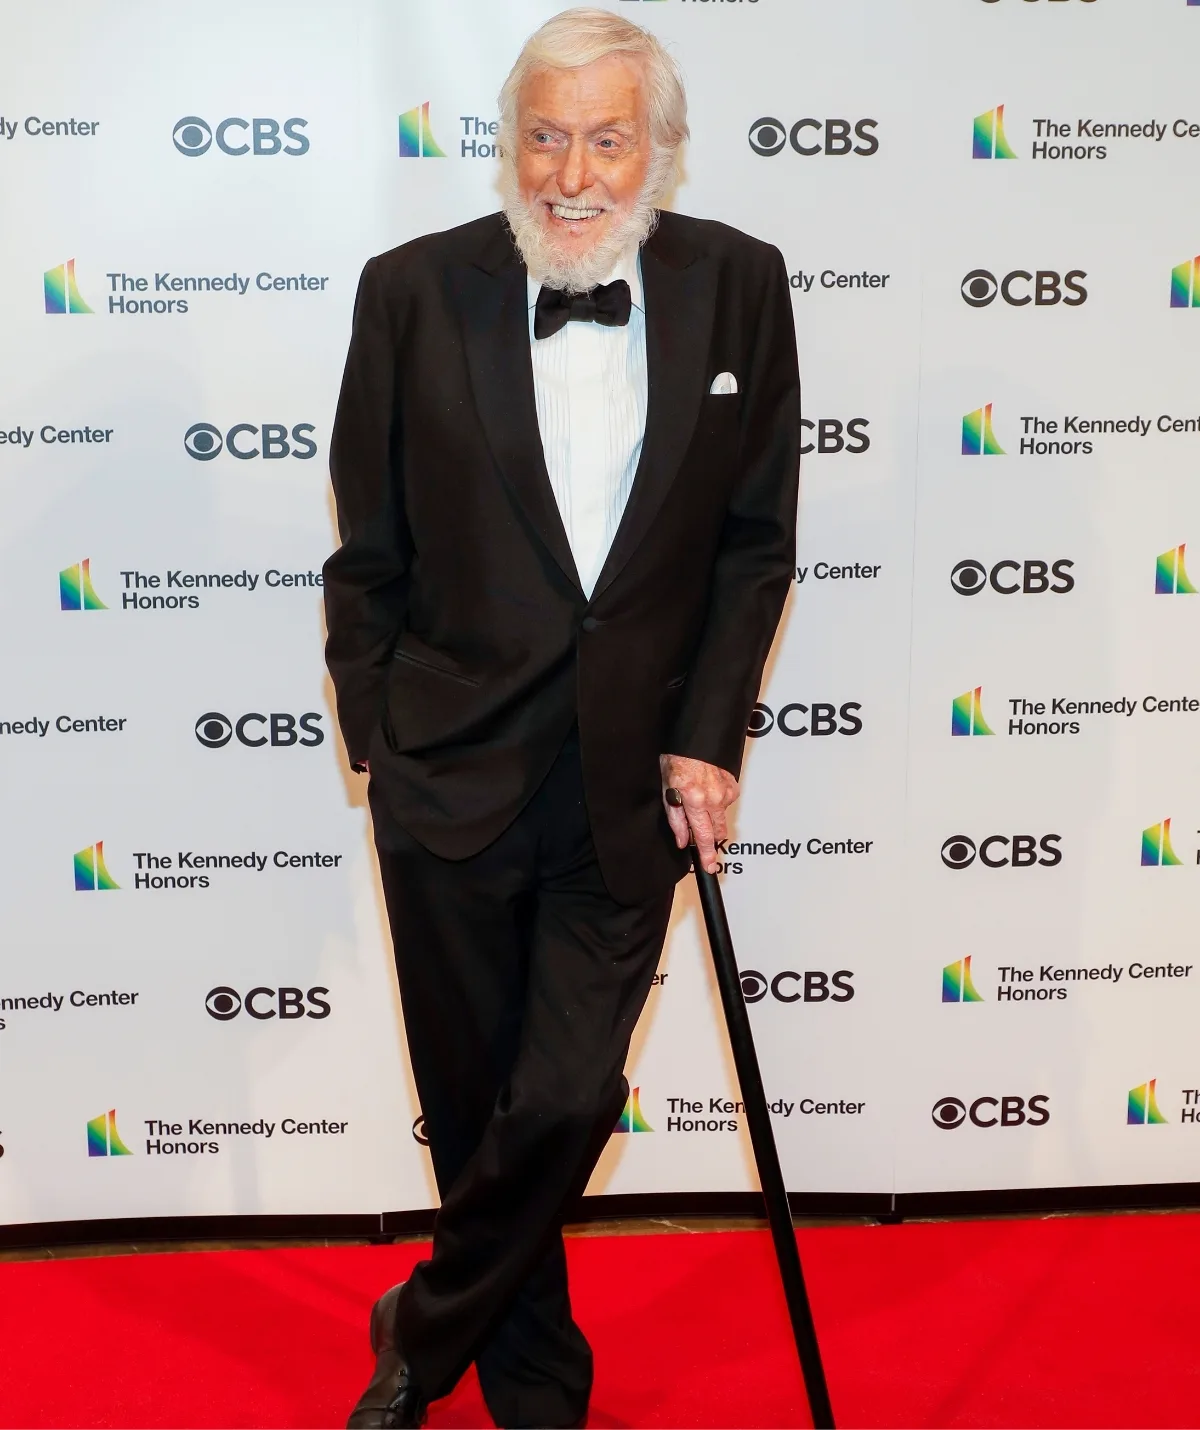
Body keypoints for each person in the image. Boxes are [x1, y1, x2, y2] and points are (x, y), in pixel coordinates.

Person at [323, 9, 800, 1426]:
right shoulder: (412, 290)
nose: (571, 172)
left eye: (605, 136)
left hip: (629, 779)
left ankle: (425, 1317)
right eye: (545, 133)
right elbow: (371, 546)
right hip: (449, 770)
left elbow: (752, 541)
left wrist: (710, 731)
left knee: (565, 1099)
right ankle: (536, 1382)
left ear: (659, 149)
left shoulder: (740, 284)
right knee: (476, 1111)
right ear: (506, 141)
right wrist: (383, 741)